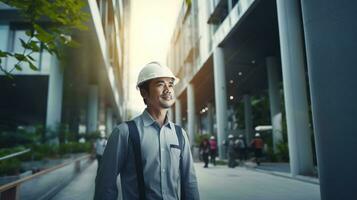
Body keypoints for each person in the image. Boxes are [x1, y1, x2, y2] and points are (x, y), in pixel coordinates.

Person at [94, 62, 200, 200]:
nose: (168, 89)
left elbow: (189, 183)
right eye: (160, 84)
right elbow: (105, 185)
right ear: (144, 92)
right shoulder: (124, 133)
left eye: (171, 84)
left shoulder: (180, 134)